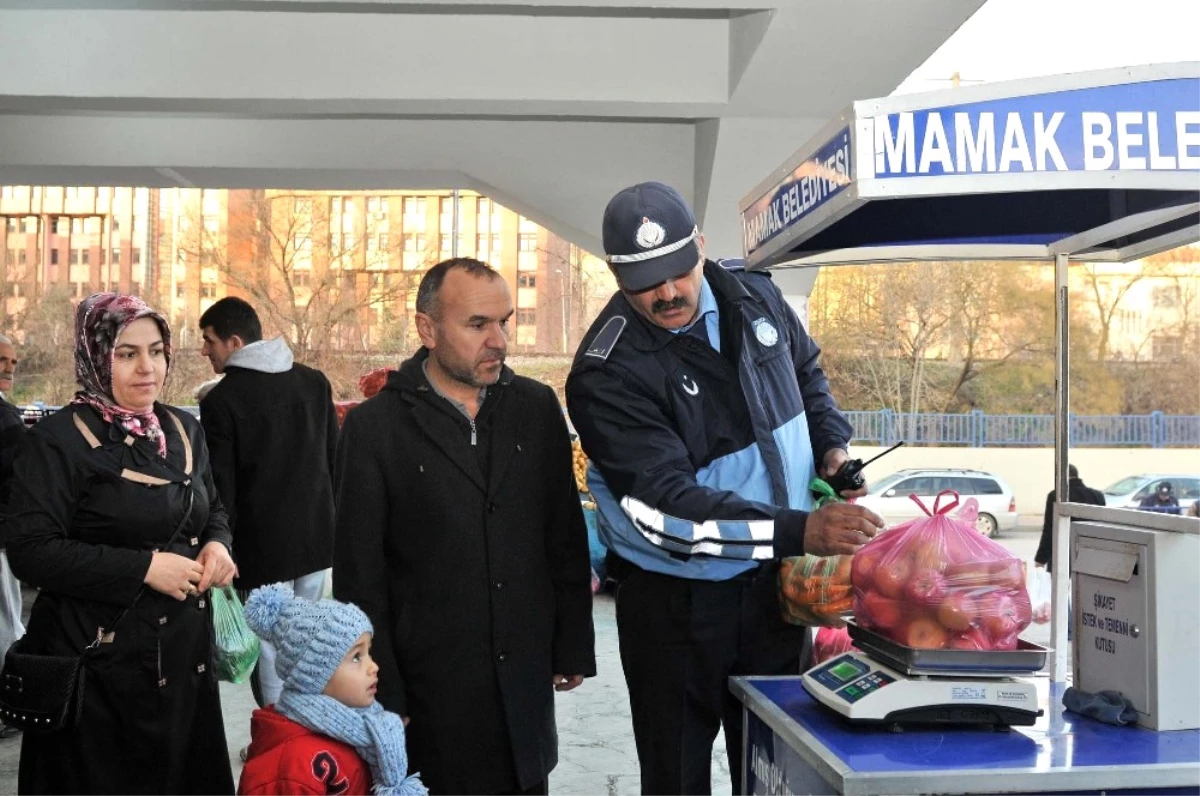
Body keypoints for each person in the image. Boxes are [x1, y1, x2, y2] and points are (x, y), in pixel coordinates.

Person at [565, 181, 883, 796]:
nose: (666, 294)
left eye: (678, 272)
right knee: (678, 778)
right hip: (677, 605)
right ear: (615, 275)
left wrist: (832, 449)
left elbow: (808, 374)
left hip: (774, 594)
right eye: (644, 282)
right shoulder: (606, 373)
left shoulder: (755, 295)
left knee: (774, 771)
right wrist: (802, 529)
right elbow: (671, 510)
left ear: (701, 249)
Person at [333, 257, 596, 795]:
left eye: (504, 321)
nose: (498, 339)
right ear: (427, 329)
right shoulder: (375, 428)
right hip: (433, 694)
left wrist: (571, 641)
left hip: (523, 685)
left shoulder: (536, 408)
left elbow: (563, 535)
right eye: (478, 325)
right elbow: (361, 576)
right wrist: (386, 693)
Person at [6, 293, 237, 794]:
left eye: (156, 351)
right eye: (126, 353)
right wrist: (144, 569)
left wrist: (218, 545)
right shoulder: (58, 440)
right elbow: (31, 550)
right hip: (99, 672)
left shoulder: (183, 429)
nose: (146, 368)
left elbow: (212, 508)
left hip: (182, 663)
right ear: (95, 355)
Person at [199, 296, 339, 708]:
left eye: (209, 340)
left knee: (270, 647)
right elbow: (335, 459)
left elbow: (221, 489)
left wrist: (222, 546)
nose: (205, 350)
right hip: (317, 539)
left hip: (260, 551)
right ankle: (305, 731)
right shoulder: (314, 382)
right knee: (303, 640)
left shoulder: (221, 402)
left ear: (235, 342)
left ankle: (279, 738)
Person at [238, 584, 427, 796]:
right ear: (314, 676)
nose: (373, 666)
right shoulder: (291, 766)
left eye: (368, 653)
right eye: (356, 657)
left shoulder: (364, 731)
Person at [0, 334, 26, 740]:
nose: (9, 367)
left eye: (13, 361)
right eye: (1, 359)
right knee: (6, 622)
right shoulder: (6, 420)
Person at [1035, 464, 1105, 569]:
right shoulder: (1097, 496)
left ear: (1059, 477)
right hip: (1090, 555)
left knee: (1062, 585)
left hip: (1063, 556)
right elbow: (1102, 528)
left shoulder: (1056, 496)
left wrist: (1041, 559)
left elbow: (1050, 530)